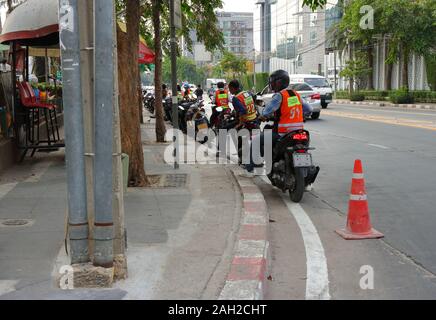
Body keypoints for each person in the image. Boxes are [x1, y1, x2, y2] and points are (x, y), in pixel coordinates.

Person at [241, 69, 311, 177]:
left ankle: (249, 170)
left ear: (278, 82)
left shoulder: (280, 96)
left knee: (256, 140)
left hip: (283, 133)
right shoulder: (295, 94)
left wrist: (262, 116)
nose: (271, 83)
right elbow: (308, 109)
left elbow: (266, 111)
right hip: (299, 132)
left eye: (272, 81)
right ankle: (307, 183)